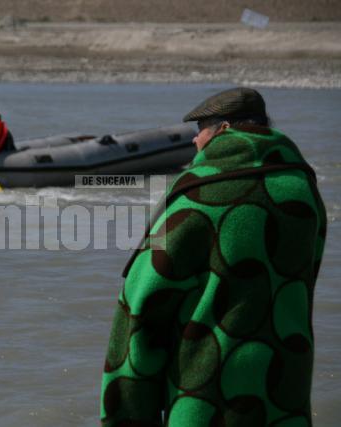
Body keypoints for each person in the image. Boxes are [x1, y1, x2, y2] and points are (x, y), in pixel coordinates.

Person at [100, 87, 327, 426]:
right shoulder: (304, 191)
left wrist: (126, 414)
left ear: (224, 130)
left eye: (200, 129)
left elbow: (142, 306)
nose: (194, 141)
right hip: (284, 401)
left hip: (204, 405)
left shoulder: (197, 197)